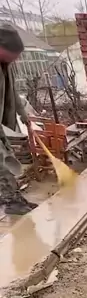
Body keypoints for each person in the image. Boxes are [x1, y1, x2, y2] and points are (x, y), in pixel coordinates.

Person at [0, 23, 37, 215]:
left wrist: (23, 114)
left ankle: (12, 196)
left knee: (8, 157)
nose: (17, 58)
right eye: (13, 54)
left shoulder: (6, 66)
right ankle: (11, 201)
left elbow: (12, 91)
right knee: (2, 163)